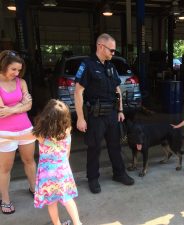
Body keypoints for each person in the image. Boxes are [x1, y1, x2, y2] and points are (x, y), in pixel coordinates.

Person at [0, 99, 82, 225]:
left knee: (51, 202)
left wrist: (4, 136)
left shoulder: (40, 134)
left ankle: (57, 224)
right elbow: (67, 154)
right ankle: (77, 223)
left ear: (46, 115)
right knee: (67, 199)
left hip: (47, 174)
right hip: (63, 171)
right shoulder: (67, 132)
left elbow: (17, 137)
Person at [74, 33, 134, 194]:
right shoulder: (87, 65)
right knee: (94, 148)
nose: (113, 53)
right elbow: (78, 92)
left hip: (112, 114)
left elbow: (117, 89)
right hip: (96, 115)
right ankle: (93, 178)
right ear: (101, 46)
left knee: (115, 146)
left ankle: (119, 173)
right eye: (112, 50)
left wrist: (120, 110)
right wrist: (80, 118)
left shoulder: (110, 66)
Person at [0, 50, 36, 214]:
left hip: (26, 129)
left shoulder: (21, 82)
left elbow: (29, 105)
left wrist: (13, 109)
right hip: (4, 133)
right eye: (13, 69)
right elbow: (1, 110)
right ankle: (5, 199)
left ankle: (34, 188)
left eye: (19, 70)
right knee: (5, 168)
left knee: (29, 161)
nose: (17, 73)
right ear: (4, 66)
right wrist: (21, 106)